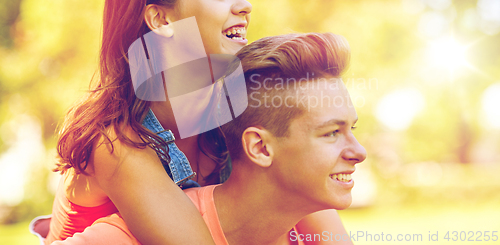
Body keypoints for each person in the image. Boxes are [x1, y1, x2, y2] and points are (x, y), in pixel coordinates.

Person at [42, 0, 352, 245]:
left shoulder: (239, 105)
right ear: (161, 20)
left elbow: (300, 193)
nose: (245, 5)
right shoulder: (116, 140)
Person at [51, 32, 367, 245]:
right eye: (331, 133)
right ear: (259, 147)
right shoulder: (130, 236)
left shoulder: (311, 225)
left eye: (351, 129)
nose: (359, 152)